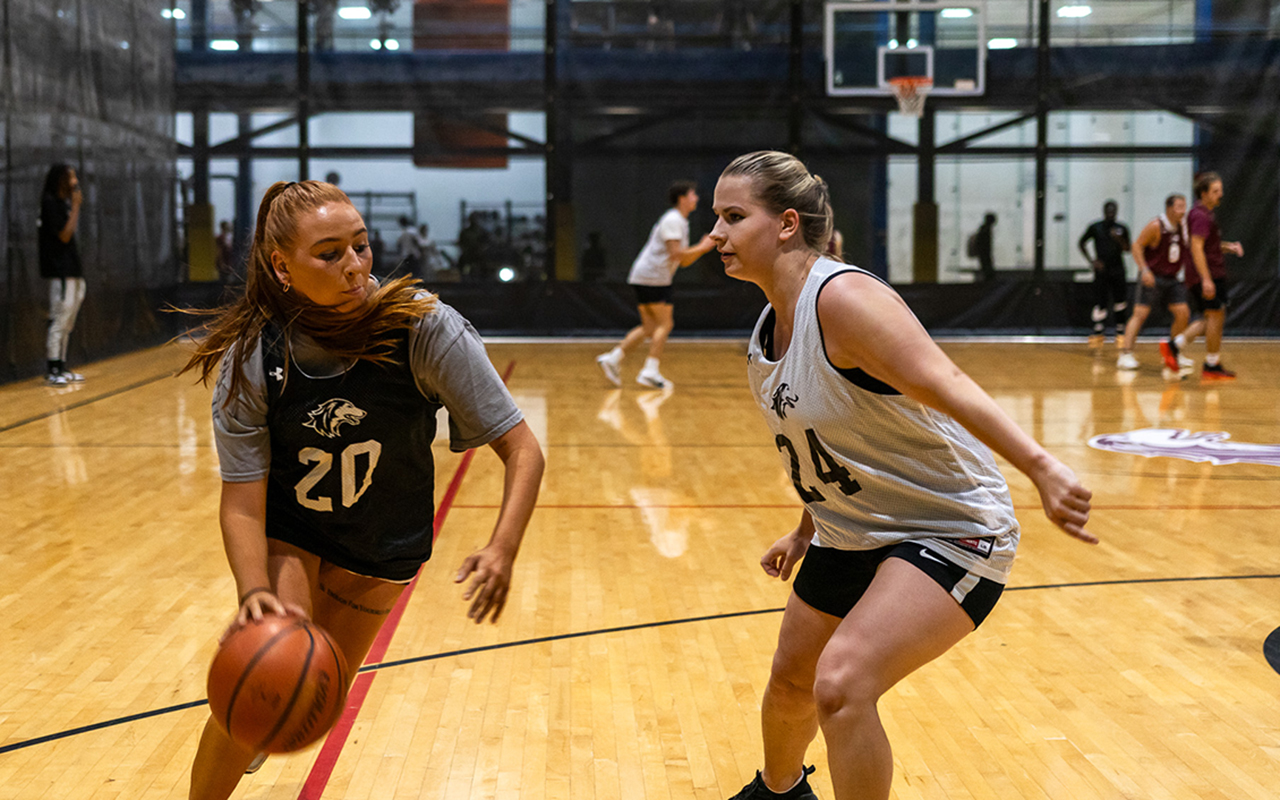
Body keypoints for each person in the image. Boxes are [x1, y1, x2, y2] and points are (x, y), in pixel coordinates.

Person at [708, 151, 1095, 800]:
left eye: (732, 216)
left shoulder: (845, 298)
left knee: (842, 685)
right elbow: (836, 437)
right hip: (851, 530)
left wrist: (1042, 466)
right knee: (791, 684)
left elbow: (945, 381)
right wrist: (807, 529)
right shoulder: (767, 326)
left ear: (786, 224)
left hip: (950, 528)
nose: (715, 235)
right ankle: (778, 791)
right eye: (717, 218)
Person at [177, 181, 544, 800]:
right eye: (329, 254)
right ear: (281, 266)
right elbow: (242, 501)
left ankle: (265, 732)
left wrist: (502, 547)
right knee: (267, 676)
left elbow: (522, 449)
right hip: (296, 532)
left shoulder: (425, 329)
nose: (354, 267)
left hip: (385, 542)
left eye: (362, 246)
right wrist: (254, 593)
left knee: (313, 698)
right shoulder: (255, 355)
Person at [595, 180, 715, 389]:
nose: (696, 198)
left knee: (650, 327)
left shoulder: (680, 221)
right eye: (693, 194)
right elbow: (676, 253)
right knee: (665, 324)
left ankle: (613, 359)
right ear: (682, 198)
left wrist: (702, 249)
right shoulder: (673, 219)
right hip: (653, 277)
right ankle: (650, 371)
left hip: (649, 277)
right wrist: (703, 247)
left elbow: (683, 260)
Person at [1171, 172, 1243, 381]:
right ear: (1203, 193)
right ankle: (1199, 358)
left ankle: (1204, 359)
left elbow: (1208, 246)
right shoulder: (1200, 215)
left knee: (1213, 317)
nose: (1220, 194)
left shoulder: (1205, 214)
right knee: (1215, 315)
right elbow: (1196, 247)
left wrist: (1228, 247)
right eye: (1215, 191)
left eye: (1220, 190)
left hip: (1211, 273)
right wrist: (1206, 279)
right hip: (1207, 275)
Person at [1116, 194, 1191, 378]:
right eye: (1179, 206)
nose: (1183, 210)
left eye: (1184, 206)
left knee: (1183, 313)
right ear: (1169, 208)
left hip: (1172, 278)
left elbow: (1198, 246)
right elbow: (1137, 246)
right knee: (1140, 314)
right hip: (1152, 276)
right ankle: (1125, 354)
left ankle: (1173, 353)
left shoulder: (1183, 228)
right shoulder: (1156, 225)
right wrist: (1145, 270)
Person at [38, 164, 86, 386]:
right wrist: (76, 207)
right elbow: (64, 236)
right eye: (71, 177)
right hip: (60, 272)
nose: (75, 182)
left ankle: (63, 366)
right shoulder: (50, 204)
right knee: (59, 318)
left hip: (73, 271)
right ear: (61, 180)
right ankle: (53, 368)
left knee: (68, 321)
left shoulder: (63, 204)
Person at [1077, 200, 1131, 342]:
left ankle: (1120, 329)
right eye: (1109, 211)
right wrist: (1092, 261)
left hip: (1118, 270)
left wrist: (1119, 239)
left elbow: (1128, 249)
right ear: (1104, 211)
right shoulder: (1096, 227)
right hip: (1102, 271)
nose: (1111, 214)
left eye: (1113, 211)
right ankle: (1098, 329)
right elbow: (1081, 242)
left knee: (1120, 300)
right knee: (1101, 300)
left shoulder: (1122, 228)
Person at [970, 212, 996, 281]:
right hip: (984, 253)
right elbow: (984, 243)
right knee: (987, 269)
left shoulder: (983, 229)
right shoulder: (986, 230)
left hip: (983, 253)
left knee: (986, 268)